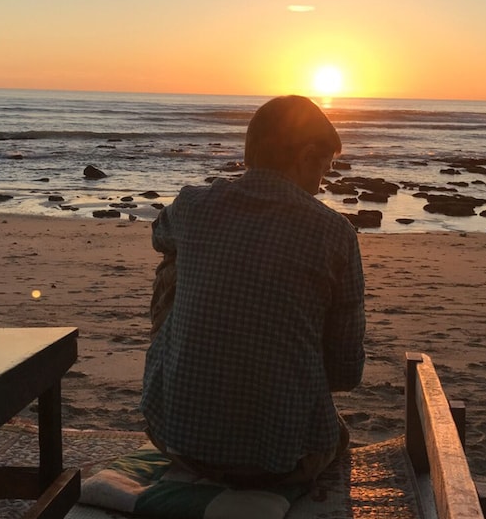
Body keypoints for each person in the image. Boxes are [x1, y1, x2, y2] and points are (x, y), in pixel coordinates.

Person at [140, 94, 365, 487]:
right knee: (334, 435)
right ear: (305, 156)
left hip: (175, 440)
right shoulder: (336, 233)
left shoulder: (193, 204)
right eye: (324, 168)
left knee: (174, 264)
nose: (321, 183)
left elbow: (160, 236)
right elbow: (346, 372)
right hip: (282, 462)